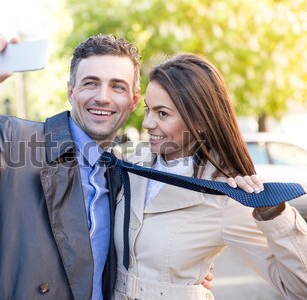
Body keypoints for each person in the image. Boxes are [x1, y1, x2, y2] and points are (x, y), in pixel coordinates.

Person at [0, 33, 253, 300]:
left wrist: (184, 279)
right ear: (70, 90)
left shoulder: (125, 173)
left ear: (133, 101)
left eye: (118, 87)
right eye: (90, 83)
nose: (102, 97)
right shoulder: (9, 141)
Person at [113, 53, 307, 300]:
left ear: (199, 122)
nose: (148, 123)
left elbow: (299, 286)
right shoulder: (129, 167)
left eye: (162, 113)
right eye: (148, 109)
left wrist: (275, 215)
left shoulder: (225, 195)